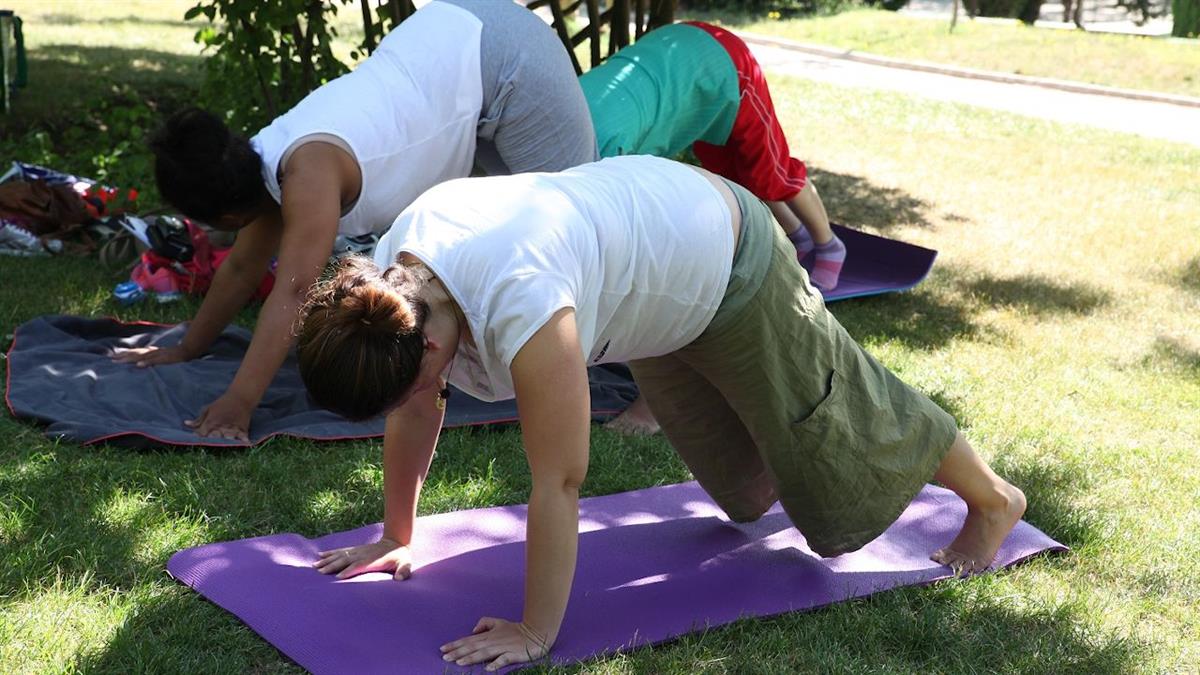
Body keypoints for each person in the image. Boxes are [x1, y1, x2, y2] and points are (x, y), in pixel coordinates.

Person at [296, 156, 1026, 671]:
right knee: (744, 498)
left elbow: (559, 480)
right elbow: (415, 407)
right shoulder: (391, 283)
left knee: (839, 459)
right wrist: (396, 533)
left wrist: (536, 631)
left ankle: (993, 499)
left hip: (729, 260)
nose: (417, 400)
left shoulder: (522, 299)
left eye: (411, 384)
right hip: (653, 297)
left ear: (426, 343)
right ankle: (788, 433)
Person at [113, 0, 597, 441]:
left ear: (228, 215)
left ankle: (653, 393)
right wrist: (186, 348)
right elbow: (241, 269)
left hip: (502, 53)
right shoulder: (259, 169)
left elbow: (296, 291)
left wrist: (239, 403)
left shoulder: (308, 172)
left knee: (584, 225)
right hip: (455, 44)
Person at [581, 21, 844, 291]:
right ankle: (797, 237)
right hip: (683, 76)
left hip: (723, 63)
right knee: (736, 175)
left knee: (772, 172)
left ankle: (829, 245)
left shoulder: (600, 154)